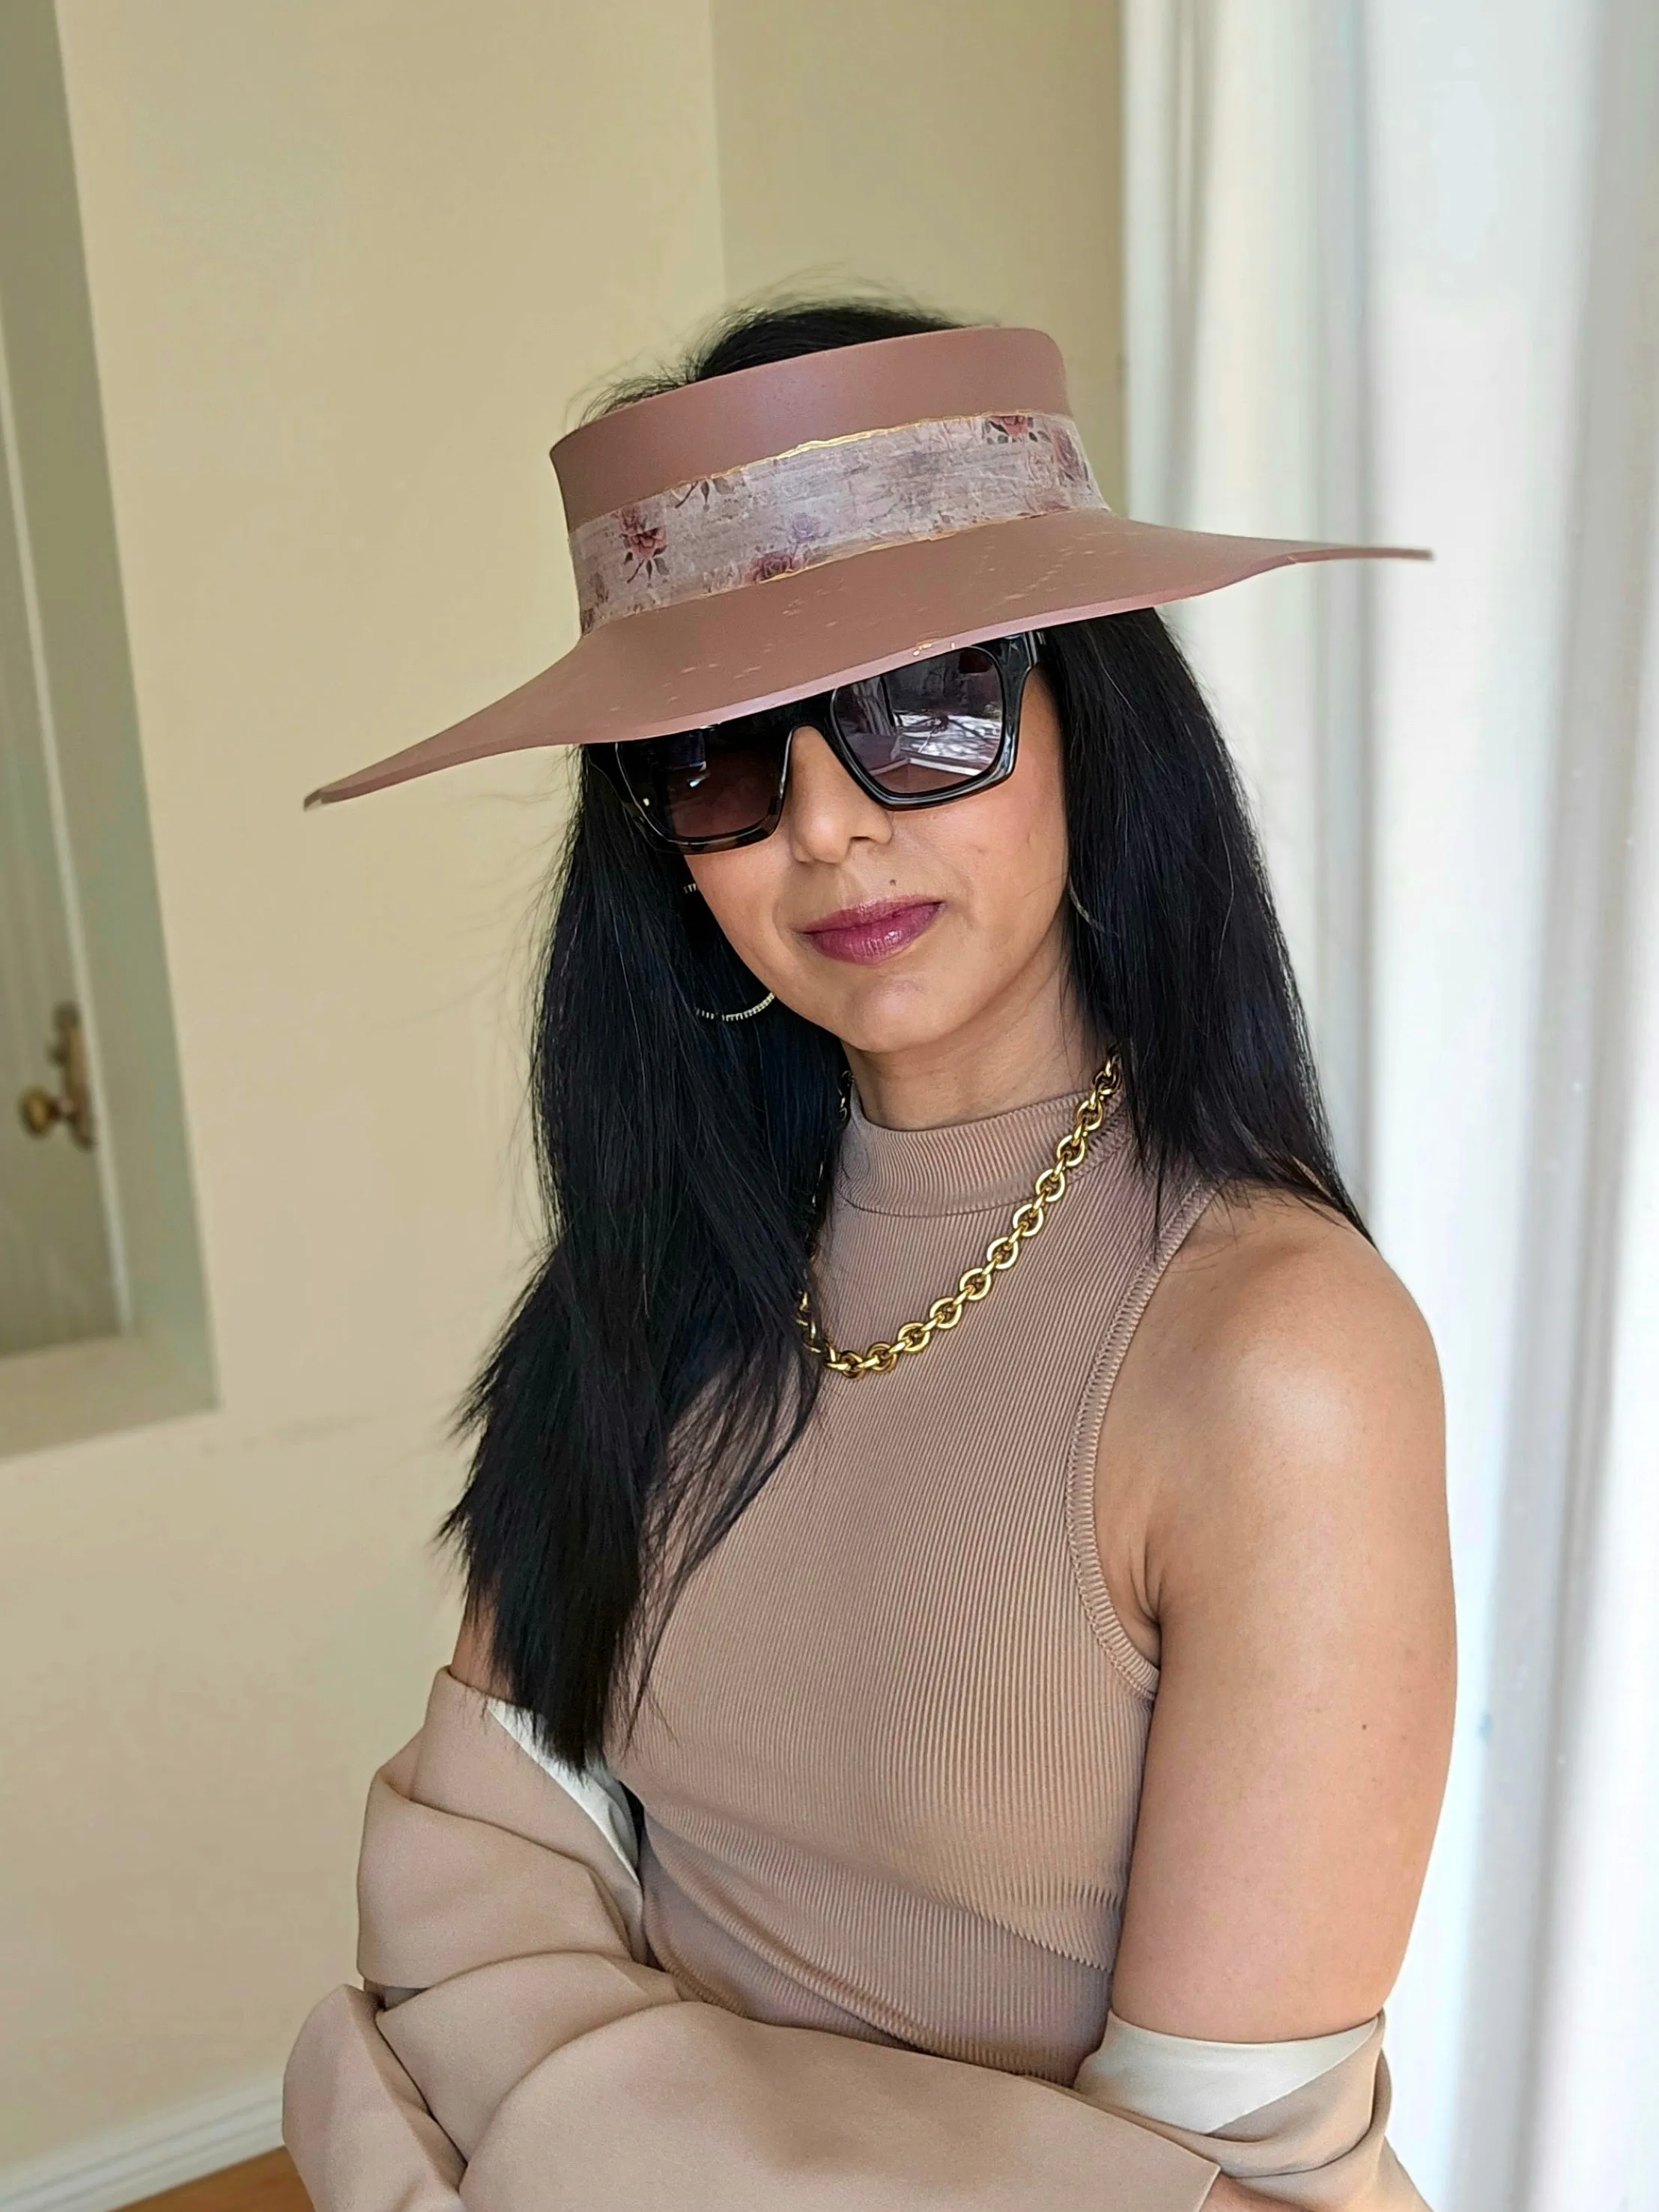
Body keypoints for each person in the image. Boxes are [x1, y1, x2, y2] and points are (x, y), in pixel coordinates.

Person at [285, 301, 1454, 2211]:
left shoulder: (1276, 1356)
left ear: (1095, 716)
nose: (825, 825)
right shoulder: (667, 1279)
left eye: (929, 706)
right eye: (722, 760)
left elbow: (1210, 2182)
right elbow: (460, 1921)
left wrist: (589, 2130)